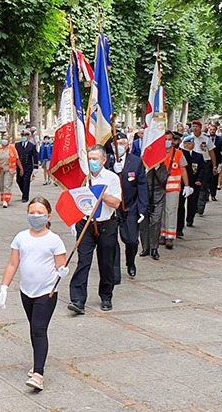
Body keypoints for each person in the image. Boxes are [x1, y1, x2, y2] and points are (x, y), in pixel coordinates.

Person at [0, 196, 69, 391]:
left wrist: (63, 271)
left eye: (40, 213)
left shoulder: (54, 240)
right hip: (26, 291)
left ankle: (38, 373)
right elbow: (13, 263)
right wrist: (4, 286)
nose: (36, 216)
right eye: (32, 212)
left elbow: (60, 265)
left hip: (46, 292)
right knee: (33, 327)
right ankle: (37, 362)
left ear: (48, 216)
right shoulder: (21, 237)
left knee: (39, 329)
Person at [66, 146, 122, 314]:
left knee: (106, 263)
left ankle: (106, 296)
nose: (92, 162)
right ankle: (78, 299)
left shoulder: (111, 178)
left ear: (103, 160)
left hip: (106, 225)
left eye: (95, 159)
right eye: (89, 159)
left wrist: (99, 193)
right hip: (86, 224)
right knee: (83, 261)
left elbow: (116, 203)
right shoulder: (83, 177)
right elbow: (73, 199)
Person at [110, 132, 147, 282]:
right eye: (116, 144)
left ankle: (130, 262)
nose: (119, 147)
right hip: (112, 208)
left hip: (130, 207)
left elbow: (142, 186)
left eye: (122, 144)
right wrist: (112, 170)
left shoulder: (136, 162)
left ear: (127, 146)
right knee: (111, 242)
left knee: (131, 240)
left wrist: (142, 209)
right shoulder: (106, 161)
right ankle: (114, 273)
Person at [147, 132, 192, 252]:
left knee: (171, 211)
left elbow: (183, 170)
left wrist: (187, 185)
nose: (167, 141)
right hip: (159, 188)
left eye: (169, 139)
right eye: (165, 139)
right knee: (160, 211)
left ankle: (170, 236)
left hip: (173, 188)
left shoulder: (178, 153)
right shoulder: (157, 153)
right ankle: (162, 234)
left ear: (173, 140)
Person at [177, 136, 209, 238]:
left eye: (189, 144)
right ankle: (179, 227)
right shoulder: (180, 154)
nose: (187, 145)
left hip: (194, 183)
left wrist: (199, 180)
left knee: (192, 203)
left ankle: (190, 219)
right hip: (182, 183)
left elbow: (202, 169)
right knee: (180, 204)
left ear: (193, 145)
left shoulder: (198, 156)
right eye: (185, 144)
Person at [0, 134, 21, 208]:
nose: (4, 141)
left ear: (9, 141)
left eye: (5, 139)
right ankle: (3, 197)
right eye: (3, 139)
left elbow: (17, 159)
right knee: (1, 185)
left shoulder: (12, 149)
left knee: (7, 184)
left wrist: (21, 168)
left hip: (9, 169)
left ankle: (6, 200)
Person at [16, 130, 39, 203]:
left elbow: (35, 156)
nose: (24, 137)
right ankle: (24, 191)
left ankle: (25, 197)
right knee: (19, 180)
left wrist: (35, 167)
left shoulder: (31, 146)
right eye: (22, 136)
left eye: (25, 136)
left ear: (29, 137)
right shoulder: (17, 145)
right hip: (19, 166)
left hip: (28, 166)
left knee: (26, 181)